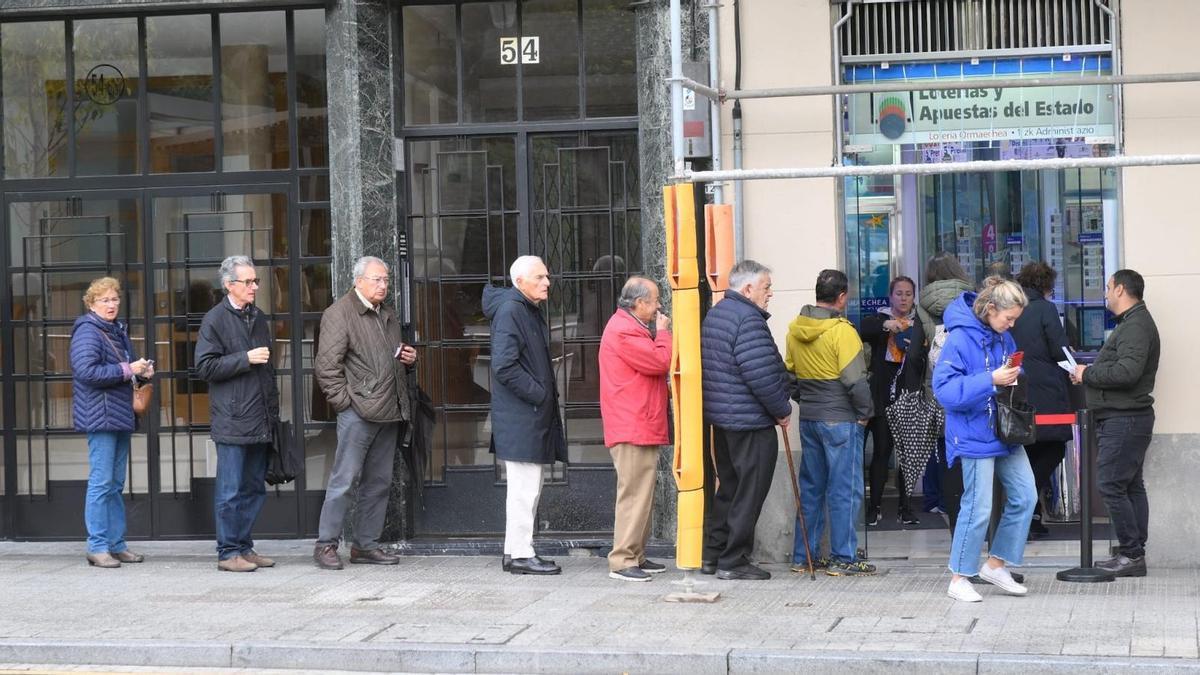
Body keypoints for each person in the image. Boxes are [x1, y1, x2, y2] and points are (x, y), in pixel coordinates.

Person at [933, 276, 1035, 602]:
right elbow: (945, 391)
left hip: (1003, 431)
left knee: (1025, 496)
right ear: (991, 309)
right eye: (1009, 318)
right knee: (977, 508)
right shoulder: (959, 339)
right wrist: (990, 379)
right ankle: (959, 576)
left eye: (1015, 319)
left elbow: (1005, 375)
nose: (1012, 324)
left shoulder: (1001, 336)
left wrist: (1014, 376)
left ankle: (994, 564)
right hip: (974, 434)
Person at [312, 256, 417, 570]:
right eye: (376, 279)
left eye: (385, 280)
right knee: (344, 481)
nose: (383, 285)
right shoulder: (339, 313)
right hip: (359, 412)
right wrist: (346, 403)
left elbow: (390, 358)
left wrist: (409, 359)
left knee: (379, 482)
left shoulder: (387, 313)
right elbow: (326, 368)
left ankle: (364, 546)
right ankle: (326, 545)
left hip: (389, 410)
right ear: (358, 281)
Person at [700, 260, 792, 581]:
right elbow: (762, 374)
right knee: (748, 493)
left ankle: (714, 555)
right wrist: (782, 408)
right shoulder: (747, 319)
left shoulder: (718, 313)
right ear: (748, 288)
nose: (770, 294)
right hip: (750, 421)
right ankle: (734, 560)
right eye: (766, 288)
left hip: (724, 421)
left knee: (729, 489)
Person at [1071, 269, 1159, 577]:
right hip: (1125, 416)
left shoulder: (1135, 326)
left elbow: (1127, 373)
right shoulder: (1132, 323)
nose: (1105, 293)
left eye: (1108, 288)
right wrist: (1088, 372)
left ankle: (1132, 553)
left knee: (1111, 484)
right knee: (1130, 485)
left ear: (1120, 289)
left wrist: (1087, 374)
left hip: (1125, 418)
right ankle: (1133, 552)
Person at [787, 269, 876, 576]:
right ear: (841, 297)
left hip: (810, 417)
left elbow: (790, 377)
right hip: (841, 419)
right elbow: (855, 380)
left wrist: (808, 401)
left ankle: (804, 556)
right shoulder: (843, 331)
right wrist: (865, 412)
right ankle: (843, 557)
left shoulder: (795, 329)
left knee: (811, 488)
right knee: (844, 489)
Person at [482, 255, 567, 575]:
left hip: (525, 416)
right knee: (525, 488)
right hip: (523, 416)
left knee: (527, 486)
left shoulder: (521, 309)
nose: (547, 282)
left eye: (547, 276)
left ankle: (516, 550)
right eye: (540, 277)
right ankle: (519, 554)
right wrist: (539, 393)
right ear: (520, 282)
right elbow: (503, 366)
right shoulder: (512, 311)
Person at [194, 256, 279, 573]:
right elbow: (204, 367)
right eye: (248, 282)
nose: (255, 286)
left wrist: (273, 414)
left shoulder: (258, 317)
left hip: (259, 419)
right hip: (232, 419)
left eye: (256, 281)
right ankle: (228, 552)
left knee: (254, 487)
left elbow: (267, 371)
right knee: (230, 491)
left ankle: (244, 547)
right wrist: (245, 358)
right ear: (230, 285)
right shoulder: (214, 320)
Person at [69, 277, 154, 568]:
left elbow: (121, 372)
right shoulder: (88, 331)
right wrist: (126, 368)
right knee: (102, 482)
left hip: (118, 415)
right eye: (104, 300)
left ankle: (117, 544)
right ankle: (97, 546)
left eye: (115, 299)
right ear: (91, 303)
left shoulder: (116, 330)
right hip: (101, 416)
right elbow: (87, 371)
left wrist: (140, 374)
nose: (111, 304)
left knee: (115, 483)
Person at [599, 277, 672, 582]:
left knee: (642, 493)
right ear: (639, 303)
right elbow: (659, 361)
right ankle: (623, 559)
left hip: (638, 421)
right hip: (633, 423)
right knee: (634, 494)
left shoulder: (628, 326)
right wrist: (665, 333)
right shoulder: (625, 330)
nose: (658, 306)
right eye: (654, 300)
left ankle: (636, 555)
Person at [904, 252, 975, 528]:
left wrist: (916, 390)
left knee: (947, 453)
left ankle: (955, 519)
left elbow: (913, 357)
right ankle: (976, 519)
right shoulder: (972, 299)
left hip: (939, 389)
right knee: (974, 452)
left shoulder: (923, 306)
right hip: (971, 387)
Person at [1011, 262, 1072, 540]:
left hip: (1017, 391)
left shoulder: (1011, 308)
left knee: (1028, 453)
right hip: (1046, 392)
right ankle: (1026, 506)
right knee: (1053, 449)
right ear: (1046, 285)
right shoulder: (1045, 309)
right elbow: (1059, 349)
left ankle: (1031, 516)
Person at [859, 276, 918, 527]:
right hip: (883, 396)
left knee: (907, 455)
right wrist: (889, 326)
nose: (904, 298)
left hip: (908, 395)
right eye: (899, 294)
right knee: (883, 451)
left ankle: (906, 507)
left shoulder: (918, 324)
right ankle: (875, 506)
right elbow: (863, 329)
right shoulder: (880, 320)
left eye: (908, 294)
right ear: (890, 297)